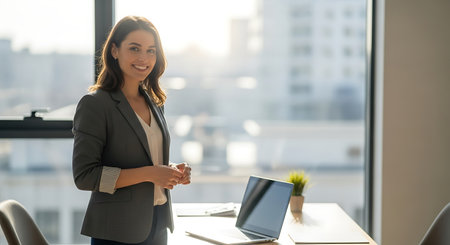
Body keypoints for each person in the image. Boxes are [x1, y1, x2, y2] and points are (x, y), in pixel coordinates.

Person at [72, 16, 191, 245]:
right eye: (134, 49)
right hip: (117, 232)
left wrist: (171, 171)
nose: (143, 58)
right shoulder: (95, 104)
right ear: (114, 51)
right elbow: (85, 177)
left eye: (151, 51)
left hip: (157, 223)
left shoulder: (154, 102)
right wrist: (150, 173)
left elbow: (145, 155)